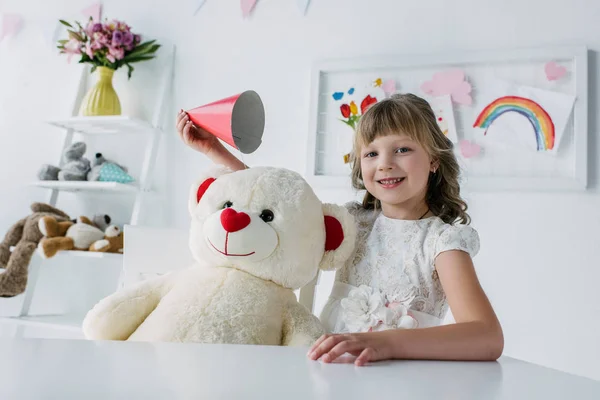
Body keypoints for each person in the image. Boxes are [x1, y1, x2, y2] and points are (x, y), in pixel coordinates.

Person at [175, 93, 503, 366]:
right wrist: (214, 152)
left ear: (434, 159)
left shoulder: (441, 242)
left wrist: (386, 344)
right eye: (371, 153)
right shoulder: (353, 223)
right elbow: (272, 209)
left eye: (402, 149)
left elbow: (486, 336)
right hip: (327, 368)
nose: (385, 163)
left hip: (400, 381)